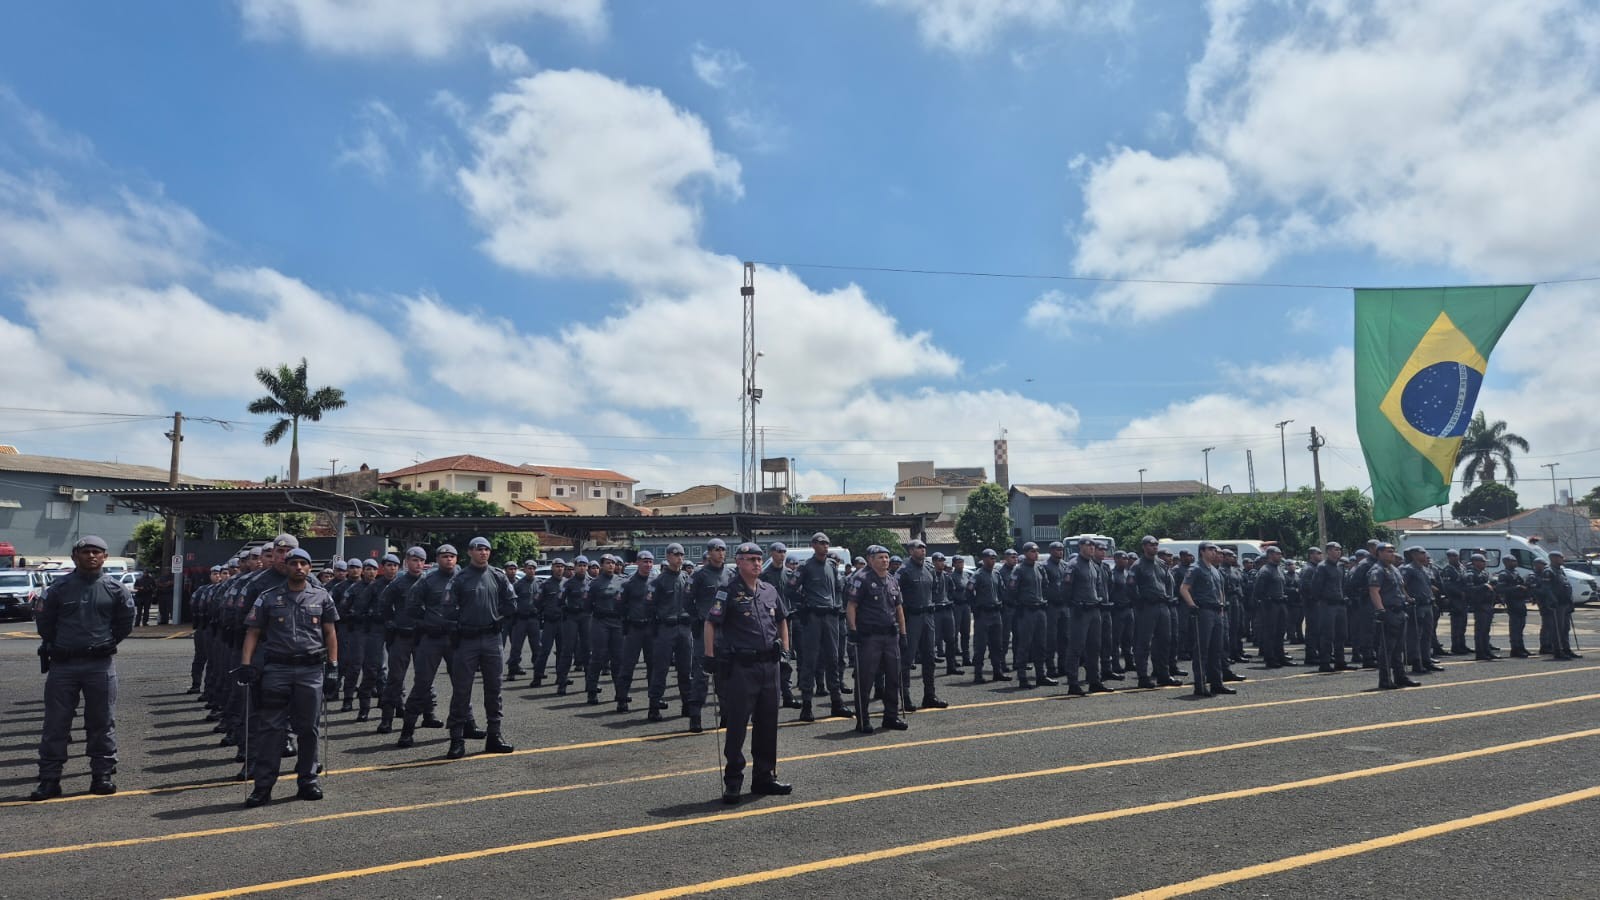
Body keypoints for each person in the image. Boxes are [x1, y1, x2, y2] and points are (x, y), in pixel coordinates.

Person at [29, 536, 135, 801]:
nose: (91, 556)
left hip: (99, 664)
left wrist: (107, 642)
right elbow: (45, 623)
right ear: (75, 556)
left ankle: (102, 776)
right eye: (85, 552)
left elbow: (125, 623)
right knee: (56, 723)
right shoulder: (58, 588)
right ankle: (50, 780)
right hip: (63, 665)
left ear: (105, 557)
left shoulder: (115, 588)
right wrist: (60, 645)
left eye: (96, 552)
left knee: (101, 721)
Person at [237, 548, 339, 806]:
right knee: (271, 729)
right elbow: (253, 632)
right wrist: (246, 664)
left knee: (308, 728)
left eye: (304, 563)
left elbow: (330, 633)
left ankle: (308, 780)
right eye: (294, 563)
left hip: (311, 670)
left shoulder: (321, 596)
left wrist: (334, 666)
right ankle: (263, 786)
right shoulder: (268, 597)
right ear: (287, 566)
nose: (299, 568)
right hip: (277, 670)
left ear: (309, 568)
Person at [706, 542, 793, 804]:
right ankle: (733, 781)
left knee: (768, 724)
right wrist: (709, 657)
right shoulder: (727, 592)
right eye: (750, 559)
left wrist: (786, 651)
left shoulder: (769, 590)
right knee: (737, 726)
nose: (757, 563)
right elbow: (711, 623)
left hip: (770, 666)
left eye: (758, 559)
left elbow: (782, 620)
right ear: (739, 562)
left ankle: (764, 777)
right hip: (741, 667)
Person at [443, 537, 516, 759]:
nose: (483, 553)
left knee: (494, 689)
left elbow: (511, 602)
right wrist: (460, 624)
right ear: (470, 552)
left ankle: (494, 735)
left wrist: (498, 617)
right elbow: (447, 608)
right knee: (462, 690)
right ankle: (457, 739)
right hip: (467, 640)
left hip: (492, 639)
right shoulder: (459, 578)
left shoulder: (498, 575)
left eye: (486, 549)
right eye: (478, 549)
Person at [400, 545, 461, 748]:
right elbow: (411, 606)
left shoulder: (462, 577)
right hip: (432, 638)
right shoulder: (427, 580)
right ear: (437, 559)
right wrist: (426, 623)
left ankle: (465, 725)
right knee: (422, 683)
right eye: (444, 557)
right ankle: (407, 730)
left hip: (455, 639)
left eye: (452, 556)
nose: (448, 560)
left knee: (462, 684)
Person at [789, 533, 851, 722]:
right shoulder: (805, 567)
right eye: (821, 543)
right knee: (810, 660)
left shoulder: (832, 567)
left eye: (827, 543)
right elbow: (790, 589)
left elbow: (839, 589)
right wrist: (805, 604)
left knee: (833, 659)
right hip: (813, 617)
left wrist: (837, 607)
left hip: (830, 617)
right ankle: (807, 706)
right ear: (813, 545)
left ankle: (836, 702)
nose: (825, 546)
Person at [847, 545, 908, 732]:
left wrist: (903, 634)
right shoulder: (861, 579)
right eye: (881, 557)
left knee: (893, 678)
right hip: (869, 637)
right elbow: (851, 607)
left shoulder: (892, 580)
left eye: (887, 557)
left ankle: (891, 717)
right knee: (865, 680)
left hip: (890, 636)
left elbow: (898, 608)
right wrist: (853, 630)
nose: (885, 560)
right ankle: (863, 720)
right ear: (870, 559)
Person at [377, 547, 429, 736]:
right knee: (395, 679)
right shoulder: (398, 583)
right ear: (407, 562)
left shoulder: (428, 582)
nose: (418, 564)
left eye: (421, 561)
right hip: (402, 636)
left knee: (425, 678)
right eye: (414, 560)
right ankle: (386, 720)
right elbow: (383, 603)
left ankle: (429, 714)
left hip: (422, 636)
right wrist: (390, 622)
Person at [688, 540, 733, 734]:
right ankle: (695, 716)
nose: (721, 553)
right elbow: (687, 601)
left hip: (725, 631)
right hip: (705, 631)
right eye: (717, 550)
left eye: (723, 550)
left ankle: (726, 715)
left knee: (725, 675)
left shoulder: (731, 575)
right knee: (701, 674)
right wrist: (698, 618)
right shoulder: (699, 575)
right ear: (709, 553)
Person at [896, 539, 948, 708]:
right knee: (907, 659)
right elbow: (895, 596)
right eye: (919, 547)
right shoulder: (903, 571)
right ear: (911, 551)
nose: (923, 550)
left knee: (930, 658)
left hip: (928, 617)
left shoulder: (929, 569)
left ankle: (929, 696)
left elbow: (932, 592)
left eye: (924, 547)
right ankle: (905, 697)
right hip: (912, 618)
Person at [1179, 542, 1234, 697]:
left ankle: (1217, 683)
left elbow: (1220, 590)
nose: (1214, 552)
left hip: (1217, 612)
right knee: (1202, 650)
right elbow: (1184, 589)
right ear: (1202, 551)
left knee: (1217, 650)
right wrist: (1192, 605)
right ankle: (1200, 685)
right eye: (1211, 549)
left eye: (1215, 550)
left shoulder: (1215, 570)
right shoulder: (1195, 568)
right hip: (1203, 611)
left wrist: (1221, 607)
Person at [648, 544, 695, 723]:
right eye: (676, 555)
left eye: (682, 555)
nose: (679, 558)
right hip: (665, 629)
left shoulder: (687, 578)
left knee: (686, 670)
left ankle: (687, 705)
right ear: (668, 557)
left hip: (684, 629)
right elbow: (650, 608)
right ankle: (654, 707)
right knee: (660, 670)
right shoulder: (658, 581)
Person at [1367, 543, 1419, 690]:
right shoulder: (1377, 570)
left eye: (1393, 551)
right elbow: (1374, 591)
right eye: (1389, 552)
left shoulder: (1394, 569)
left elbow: (1401, 587)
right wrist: (1380, 610)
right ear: (1379, 553)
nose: (1392, 554)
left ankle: (1400, 676)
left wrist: (1408, 599)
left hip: (1400, 612)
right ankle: (1385, 680)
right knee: (1387, 648)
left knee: (1399, 648)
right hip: (1388, 612)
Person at [1064, 538, 1111, 695]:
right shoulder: (1073, 565)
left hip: (1094, 610)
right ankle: (1073, 683)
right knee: (1076, 648)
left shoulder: (1092, 565)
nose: (1092, 548)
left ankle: (1094, 681)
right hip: (1080, 611)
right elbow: (1065, 589)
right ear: (1080, 547)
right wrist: (1073, 604)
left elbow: (1097, 586)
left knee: (1094, 648)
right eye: (1088, 545)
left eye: (1093, 546)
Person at [1131, 536, 1179, 688]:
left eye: (1156, 545)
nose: (1154, 547)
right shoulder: (1137, 565)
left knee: (1165, 641)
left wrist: (1169, 598)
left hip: (1163, 606)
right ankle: (1143, 676)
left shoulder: (1161, 564)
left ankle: (1163, 674)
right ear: (1144, 546)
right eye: (1151, 545)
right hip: (1147, 607)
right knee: (1144, 643)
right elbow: (1130, 587)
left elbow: (1168, 583)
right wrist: (1139, 602)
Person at [1009, 542, 1053, 689]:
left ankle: (1041, 675)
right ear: (1026, 552)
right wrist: (1021, 603)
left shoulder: (1039, 567)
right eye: (1033, 551)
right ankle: (1022, 677)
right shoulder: (1018, 569)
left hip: (1040, 610)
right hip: (1026, 611)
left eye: (1037, 551)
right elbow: (1012, 590)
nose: (1036, 553)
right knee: (1025, 645)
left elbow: (1046, 585)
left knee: (1041, 644)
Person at [617, 551, 656, 715]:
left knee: (653, 667)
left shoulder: (656, 582)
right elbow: (619, 606)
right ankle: (622, 699)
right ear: (637, 563)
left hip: (651, 629)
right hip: (634, 629)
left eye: (650, 562)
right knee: (627, 666)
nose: (648, 565)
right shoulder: (628, 583)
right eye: (644, 561)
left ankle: (654, 702)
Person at [585, 555, 627, 708]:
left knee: (619, 659)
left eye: (613, 563)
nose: (611, 565)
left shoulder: (622, 581)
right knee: (598, 657)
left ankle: (621, 694)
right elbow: (587, 605)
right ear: (602, 565)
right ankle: (592, 691)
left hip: (617, 623)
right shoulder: (594, 584)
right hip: (600, 622)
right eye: (608, 563)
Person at [1400, 548, 1443, 675]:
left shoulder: (1424, 569)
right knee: (1415, 636)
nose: (1425, 556)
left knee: (1427, 635)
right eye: (1422, 553)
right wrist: (1407, 598)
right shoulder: (1408, 569)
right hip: (1416, 606)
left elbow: (1427, 585)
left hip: (1428, 605)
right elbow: (1401, 585)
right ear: (1414, 555)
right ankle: (1416, 662)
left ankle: (1426, 660)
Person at [969, 549, 1010, 683]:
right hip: (983, 614)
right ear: (984, 559)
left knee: (997, 645)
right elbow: (969, 590)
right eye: (990, 558)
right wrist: (975, 606)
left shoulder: (996, 574)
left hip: (996, 613)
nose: (993, 560)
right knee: (980, 646)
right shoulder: (978, 574)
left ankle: (997, 672)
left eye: (994, 558)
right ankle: (978, 674)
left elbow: (1002, 592)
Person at [1252, 547, 1291, 667]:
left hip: (1280, 603)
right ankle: (1270, 659)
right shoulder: (1265, 570)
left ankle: (1280, 656)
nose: (1280, 556)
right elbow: (1258, 590)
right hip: (1270, 605)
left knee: (1280, 632)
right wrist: (1266, 600)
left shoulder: (1278, 569)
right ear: (1270, 555)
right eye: (1277, 554)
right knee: (1270, 633)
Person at [532, 559, 567, 688]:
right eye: (557, 566)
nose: (559, 569)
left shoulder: (567, 584)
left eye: (562, 567)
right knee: (544, 650)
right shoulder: (545, 584)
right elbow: (537, 602)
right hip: (549, 622)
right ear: (552, 568)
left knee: (562, 651)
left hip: (563, 622)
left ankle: (561, 677)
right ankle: (538, 676)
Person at [506, 559, 540, 680]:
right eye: (529, 568)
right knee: (516, 647)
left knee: (537, 647)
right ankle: (512, 670)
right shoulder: (518, 585)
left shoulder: (539, 584)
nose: (531, 570)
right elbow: (512, 601)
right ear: (524, 569)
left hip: (534, 620)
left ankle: (538, 672)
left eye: (533, 568)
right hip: (520, 620)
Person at [1464, 553, 1499, 660]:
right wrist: (1483, 586)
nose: (1484, 564)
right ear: (1476, 562)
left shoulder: (1484, 573)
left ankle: (1486, 650)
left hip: (1488, 604)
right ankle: (1480, 652)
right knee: (1480, 630)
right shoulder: (1470, 574)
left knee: (1486, 630)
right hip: (1479, 604)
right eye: (1482, 562)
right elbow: (1469, 590)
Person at [1495, 556, 1532, 657]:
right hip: (1512, 602)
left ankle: (1521, 647)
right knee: (1515, 627)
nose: (1515, 563)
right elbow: (1500, 588)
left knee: (1521, 626)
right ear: (1506, 562)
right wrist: (1516, 588)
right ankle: (1515, 649)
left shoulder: (1516, 573)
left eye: (1515, 561)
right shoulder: (1504, 574)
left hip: (1520, 601)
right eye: (1513, 561)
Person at [1547, 552, 1581, 660]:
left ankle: (1566, 649)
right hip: (1557, 604)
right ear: (1553, 558)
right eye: (1560, 557)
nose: (1563, 559)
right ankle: (1558, 651)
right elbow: (1546, 589)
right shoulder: (1549, 571)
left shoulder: (1560, 570)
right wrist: (1553, 601)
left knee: (1565, 628)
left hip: (1565, 603)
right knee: (1558, 629)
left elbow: (1566, 586)